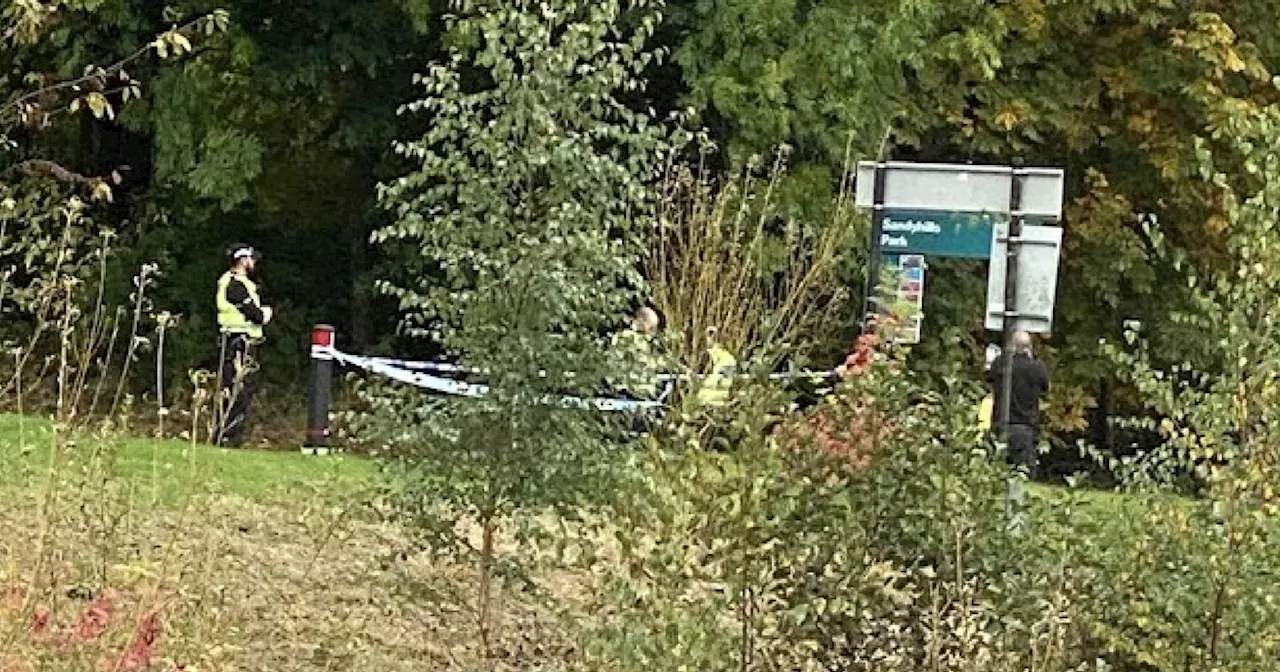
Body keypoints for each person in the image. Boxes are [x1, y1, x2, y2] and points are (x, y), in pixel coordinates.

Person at [214, 243, 273, 448]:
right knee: (237, 390)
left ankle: (228, 436)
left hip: (240, 340)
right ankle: (228, 437)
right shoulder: (235, 285)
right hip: (238, 342)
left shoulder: (239, 283)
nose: (254, 262)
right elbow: (255, 315)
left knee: (238, 389)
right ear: (243, 260)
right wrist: (264, 314)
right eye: (251, 258)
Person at [987, 331, 1050, 471]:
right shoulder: (1037, 367)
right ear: (1029, 347)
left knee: (997, 470)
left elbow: (989, 378)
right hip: (1026, 426)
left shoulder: (1000, 364)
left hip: (1000, 424)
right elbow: (1046, 388)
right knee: (1021, 472)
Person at [696, 326, 737, 407]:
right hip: (726, 366)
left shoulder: (722, 354)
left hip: (724, 367)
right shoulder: (717, 352)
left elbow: (724, 382)